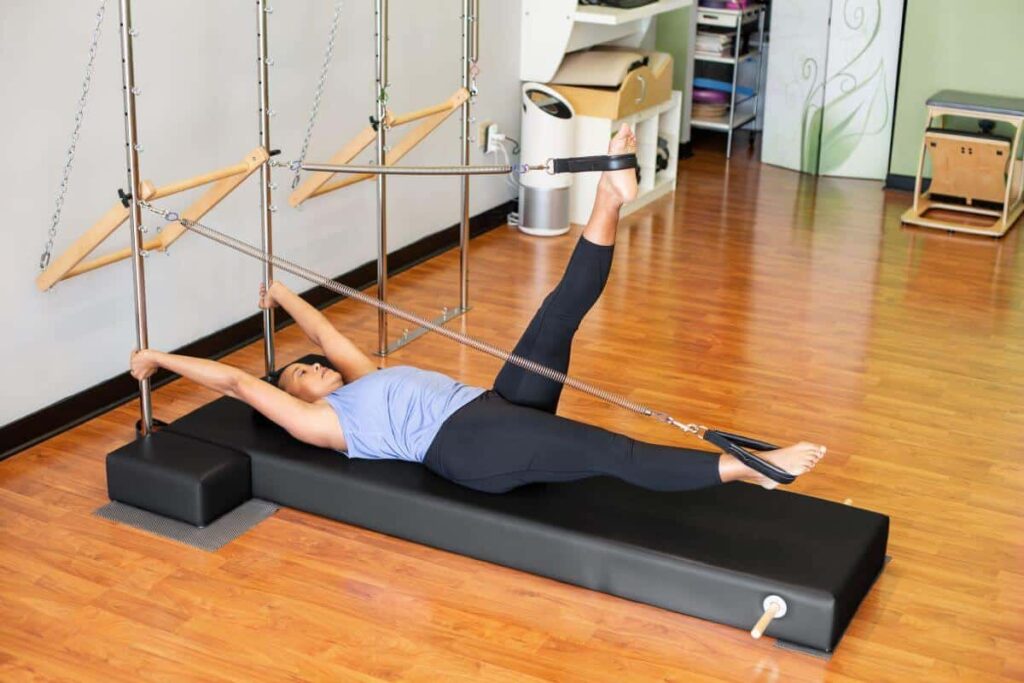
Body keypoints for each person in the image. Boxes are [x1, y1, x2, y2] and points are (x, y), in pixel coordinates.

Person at [130, 124, 826, 494]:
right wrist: (158, 359)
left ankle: (609, 198)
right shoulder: (321, 425)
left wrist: (280, 293)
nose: (312, 368)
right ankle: (750, 469)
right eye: (300, 375)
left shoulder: (361, 376)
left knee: (556, 315)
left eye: (310, 367)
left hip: (492, 403)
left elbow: (324, 329)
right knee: (610, 451)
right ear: (292, 400)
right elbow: (236, 381)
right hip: (469, 449)